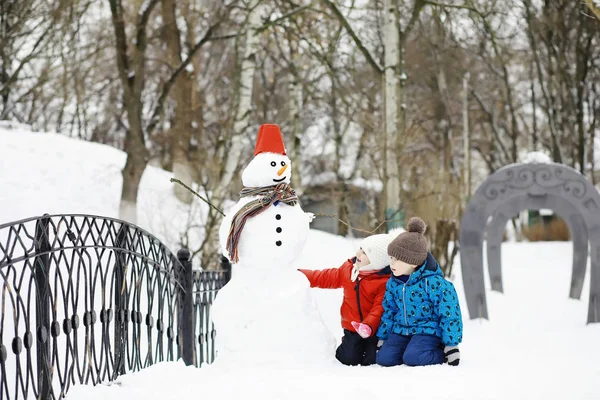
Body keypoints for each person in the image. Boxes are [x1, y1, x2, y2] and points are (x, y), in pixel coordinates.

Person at [376, 217, 463, 367]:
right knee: (384, 359)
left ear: (413, 262)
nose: (392, 263)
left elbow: (450, 312)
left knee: (413, 358)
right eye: (391, 258)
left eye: (397, 259)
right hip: (401, 330)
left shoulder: (433, 283)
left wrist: (451, 344)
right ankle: (409, 349)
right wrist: (383, 336)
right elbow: (389, 310)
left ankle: (439, 351)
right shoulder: (393, 282)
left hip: (427, 330)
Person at [299, 234, 392, 366]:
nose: (358, 253)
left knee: (370, 360)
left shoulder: (383, 282)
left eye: (365, 253)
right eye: (360, 248)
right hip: (352, 328)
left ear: (376, 261)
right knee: (349, 358)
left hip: (373, 330)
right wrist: (302, 276)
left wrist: (368, 326)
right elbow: (325, 277)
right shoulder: (348, 270)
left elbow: (379, 308)